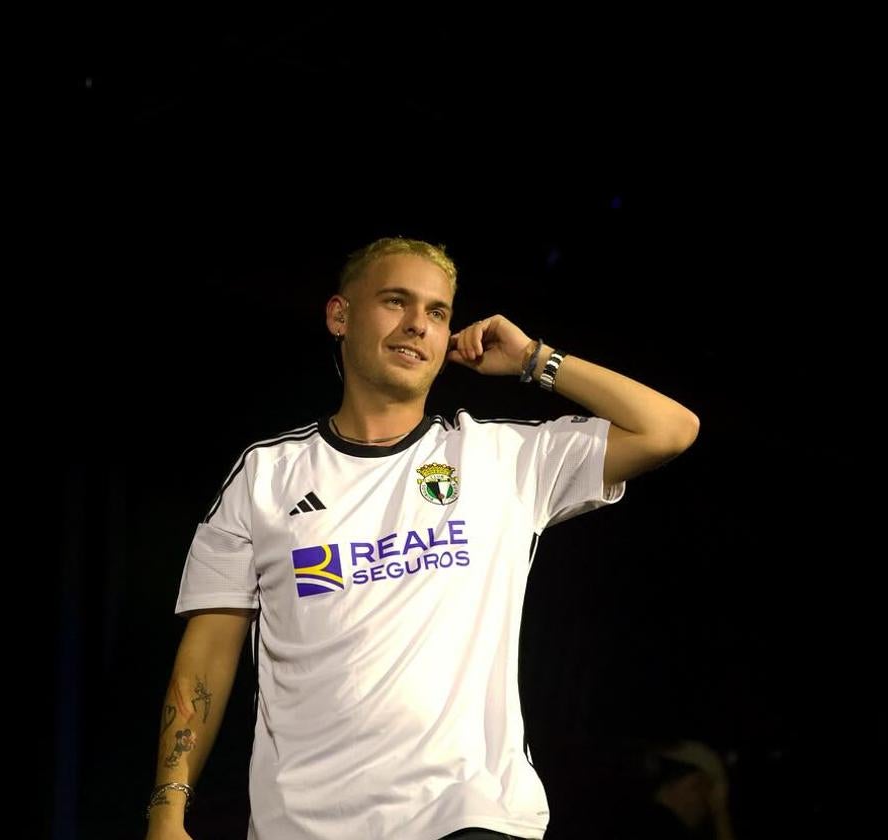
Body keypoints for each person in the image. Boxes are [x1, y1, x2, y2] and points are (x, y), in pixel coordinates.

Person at [144, 236, 700, 840]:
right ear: (340, 315)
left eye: (437, 312)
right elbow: (209, 651)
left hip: (470, 816)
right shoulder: (266, 475)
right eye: (395, 302)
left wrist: (534, 359)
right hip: (301, 825)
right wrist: (167, 811)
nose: (418, 326)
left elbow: (669, 429)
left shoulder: (499, 459)